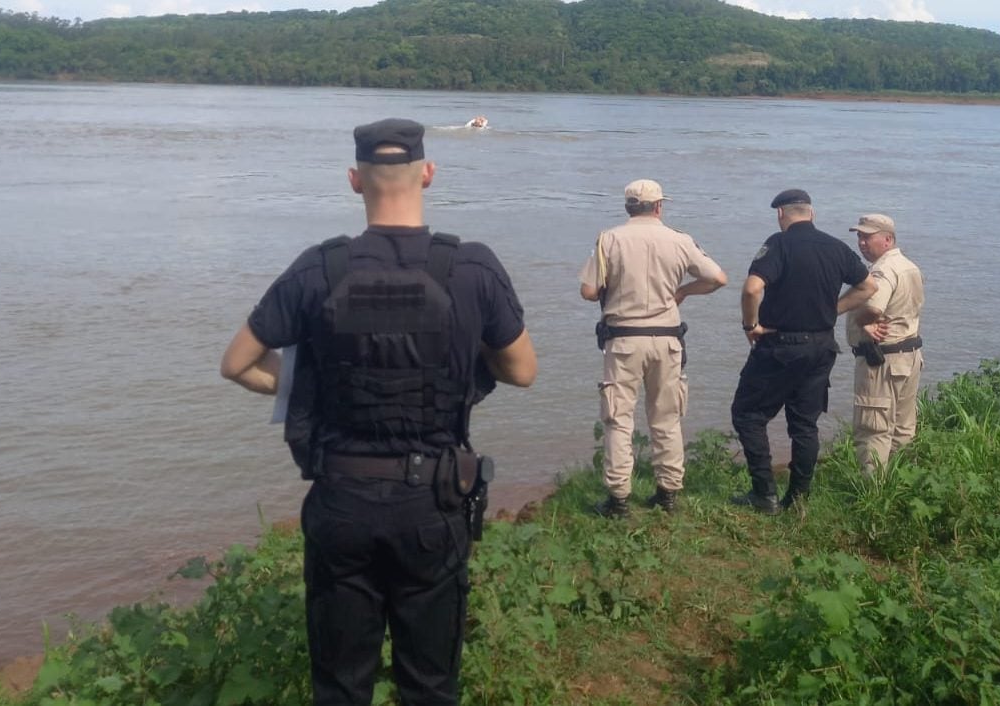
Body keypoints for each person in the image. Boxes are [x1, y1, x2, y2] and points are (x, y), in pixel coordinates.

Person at [219, 117, 537, 705]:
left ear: (354, 182)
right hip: (433, 503)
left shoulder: (319, 268)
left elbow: (237, 364)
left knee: (340, 687)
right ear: (429, 175)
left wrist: (309, 388)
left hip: (341, 502)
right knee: (431, 684)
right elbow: (522, 371)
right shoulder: (470, 268)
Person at [578, 179, 727, 518]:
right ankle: (668, 493)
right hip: (667, 339)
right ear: (660, 206)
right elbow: (718, 278)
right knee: (667, 417)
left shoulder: (609, 240)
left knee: (618, 419)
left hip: (623, 340)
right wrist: (684, 291)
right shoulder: (679, 240)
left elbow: (588, 291)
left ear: (628, 207)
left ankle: (618, 499)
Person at [729, 189, 876, 514]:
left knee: (748, 414)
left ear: (781, 215)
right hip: (821, 346)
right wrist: (830, 310)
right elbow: (868, 287)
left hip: (781, 347)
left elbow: (753, 288)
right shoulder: (835, 247)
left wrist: (749, 325)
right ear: (812, 213)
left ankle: (764, 494)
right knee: (804, 424)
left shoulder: (779, 244)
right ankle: (797, 499)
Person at [844, 213, 924, 476]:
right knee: (903, 428)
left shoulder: (883, 270)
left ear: (887, 240)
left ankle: (872, 493)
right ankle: (901, 484)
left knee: (873, 429)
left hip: (882, 362)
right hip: (909, 356)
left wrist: (863, 320)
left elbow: (874, 307)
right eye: (859, 236)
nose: (861, 243)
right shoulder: (909, 266)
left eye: (867, 237)